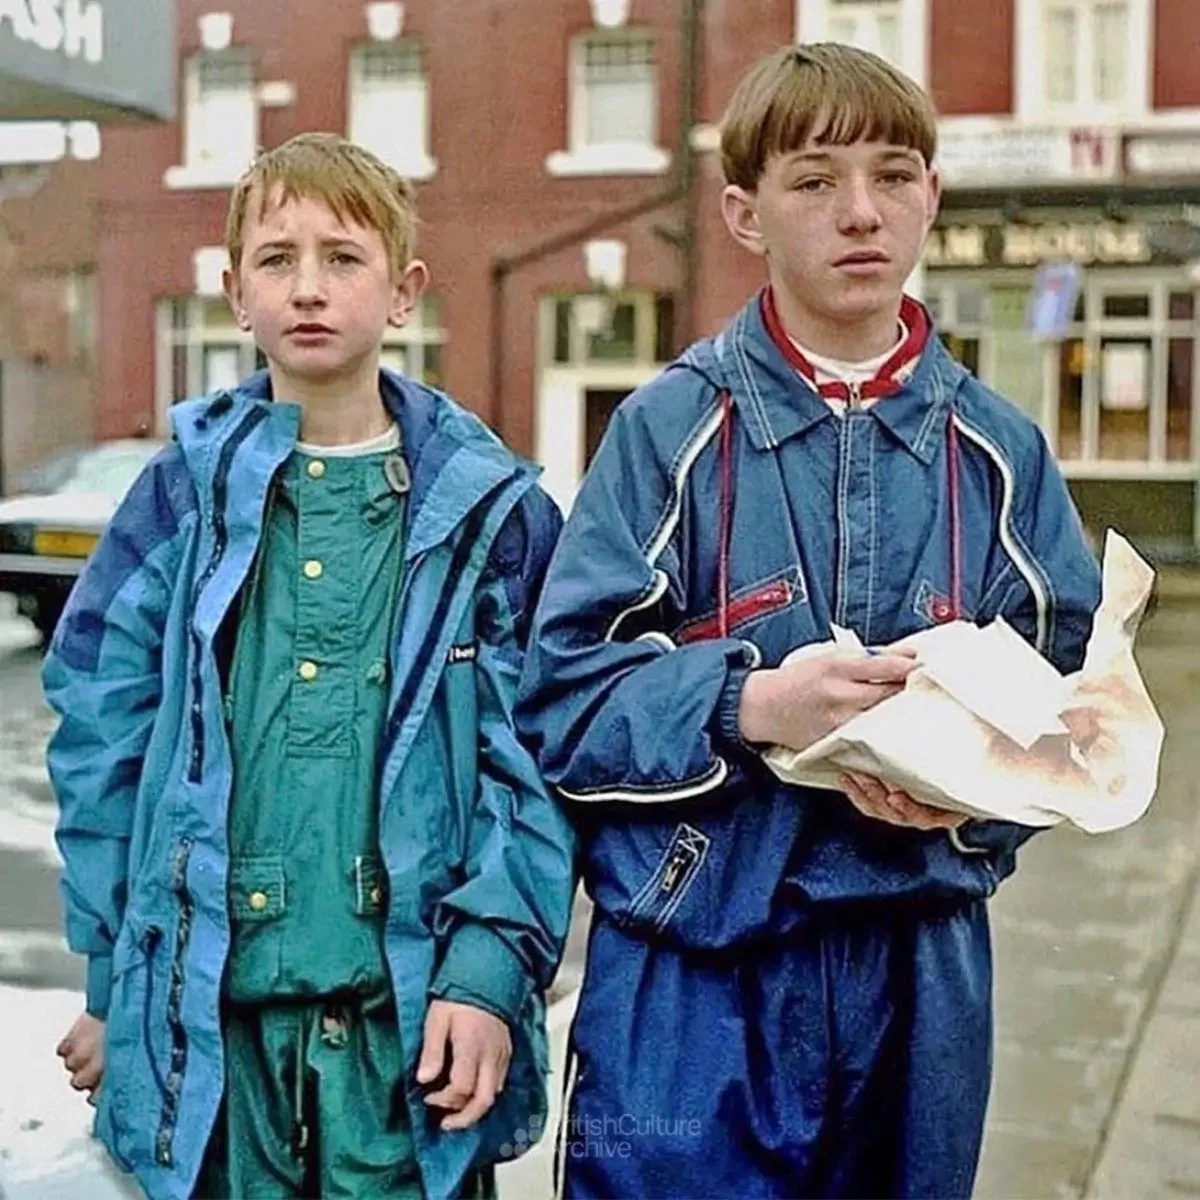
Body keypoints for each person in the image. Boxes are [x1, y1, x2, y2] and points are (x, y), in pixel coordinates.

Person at [517, 43, 1102, 1200]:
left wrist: (971, 796)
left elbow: (1075, 710)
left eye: (894, 175)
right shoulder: (666, 429)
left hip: (917, 971)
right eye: (815, 180)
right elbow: (562, 694)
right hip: (692, 972)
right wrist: (749, 702)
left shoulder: (1000, 455)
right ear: (743, 211)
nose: (861, 213)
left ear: (933, 195)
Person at [45, 132, 574, 1200]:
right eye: (276, 259)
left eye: (343, 257)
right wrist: (115, 982)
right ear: (236, 294)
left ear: (404, 291)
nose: (309, 288)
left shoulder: (492, 516)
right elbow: (100, 730)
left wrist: (487, 969)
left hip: (406, 1035)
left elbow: (536, 762)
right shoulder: (180, 500)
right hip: (213, 1040)